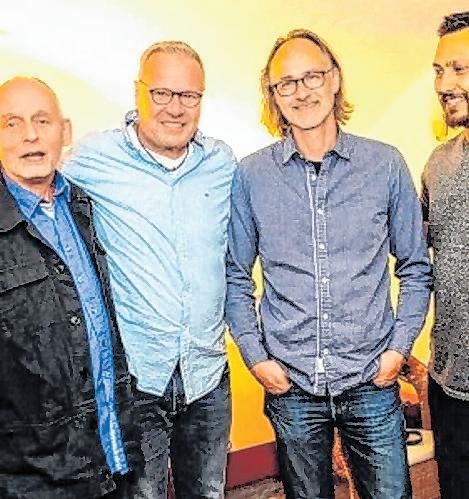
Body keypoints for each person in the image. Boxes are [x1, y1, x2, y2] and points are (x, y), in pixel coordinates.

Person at [226, 29, 432, 499]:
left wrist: (398, 351)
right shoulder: (251, 176)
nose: (301, 92)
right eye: (286, 83)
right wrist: (256, 359)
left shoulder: (384, 165)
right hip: (291, 385)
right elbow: (235, 276)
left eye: (312, 76)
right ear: (273, 95)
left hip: (372, 379)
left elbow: (415, 267)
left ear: (335, 79)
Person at [62, 41, 236, 498]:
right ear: (138, 92)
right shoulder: (92, 159)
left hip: (207, 376)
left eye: (189, 95)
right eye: (162, 93)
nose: (175, 108)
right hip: (137, 380)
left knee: (210, 492)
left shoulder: (222, 163)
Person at [0, 76, 142, 498]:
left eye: (42, 120)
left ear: (65, 132)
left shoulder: (82, 205)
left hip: (111, 458)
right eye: (11, 123)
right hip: (32, 480)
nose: (30, 134)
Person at [422, 11, 469, 499]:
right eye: (439, 70)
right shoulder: (438, 164)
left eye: (459, 68)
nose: (443, 84)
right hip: (452, 385)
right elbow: (414, 253)